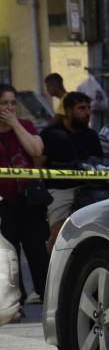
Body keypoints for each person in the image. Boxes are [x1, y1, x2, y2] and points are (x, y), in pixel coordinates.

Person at [0, 84, 49, 307]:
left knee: (37, 250)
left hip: (29, 201)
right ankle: (14, 303)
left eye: (12, 103)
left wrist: (15, 124)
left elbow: (36, 151)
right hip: (5, 203)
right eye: (4, 103)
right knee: (9, 255)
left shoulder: (25, 125)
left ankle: (45, 294)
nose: (9, 108)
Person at [39, 92, 103, 251]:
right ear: (68, 111)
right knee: (57, 236)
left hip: (89, 189)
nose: (87, 112)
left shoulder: (92, 136)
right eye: (81, 108)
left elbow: (101, 164)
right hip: (59, 190)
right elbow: (38, 163)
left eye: (88, 108)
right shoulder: (50, 133)